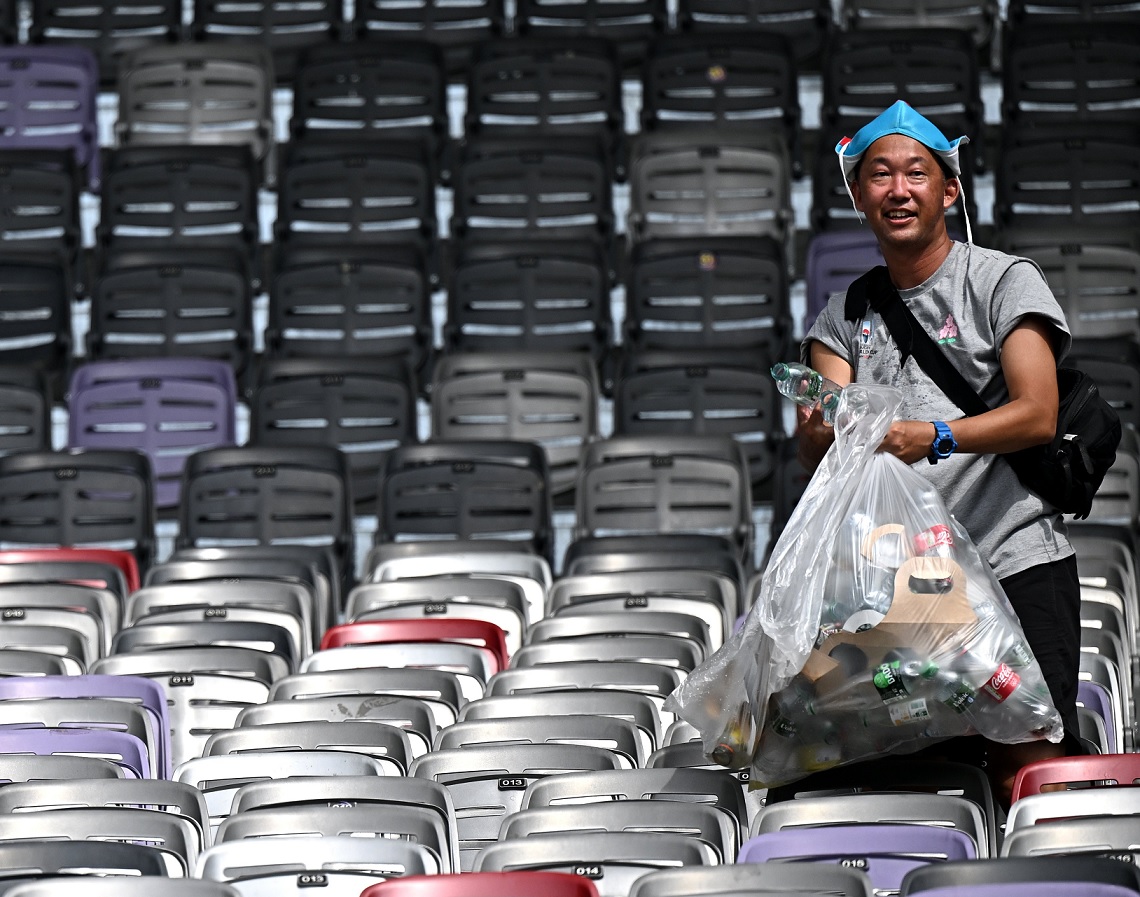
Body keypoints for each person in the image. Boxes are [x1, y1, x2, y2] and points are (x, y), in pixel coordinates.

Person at [798, 100, 1083, 805]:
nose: (898, 189)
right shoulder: (845, 316)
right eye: (880, 176)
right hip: (909, 588)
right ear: (859, 196)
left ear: (948, 189)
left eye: (916, 173)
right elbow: (822, 434)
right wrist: (818, 425)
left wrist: (938, 434)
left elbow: (1037, 412)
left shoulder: (1002, 280)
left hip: (1014, 561)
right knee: (913, 774)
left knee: (1027, 764)